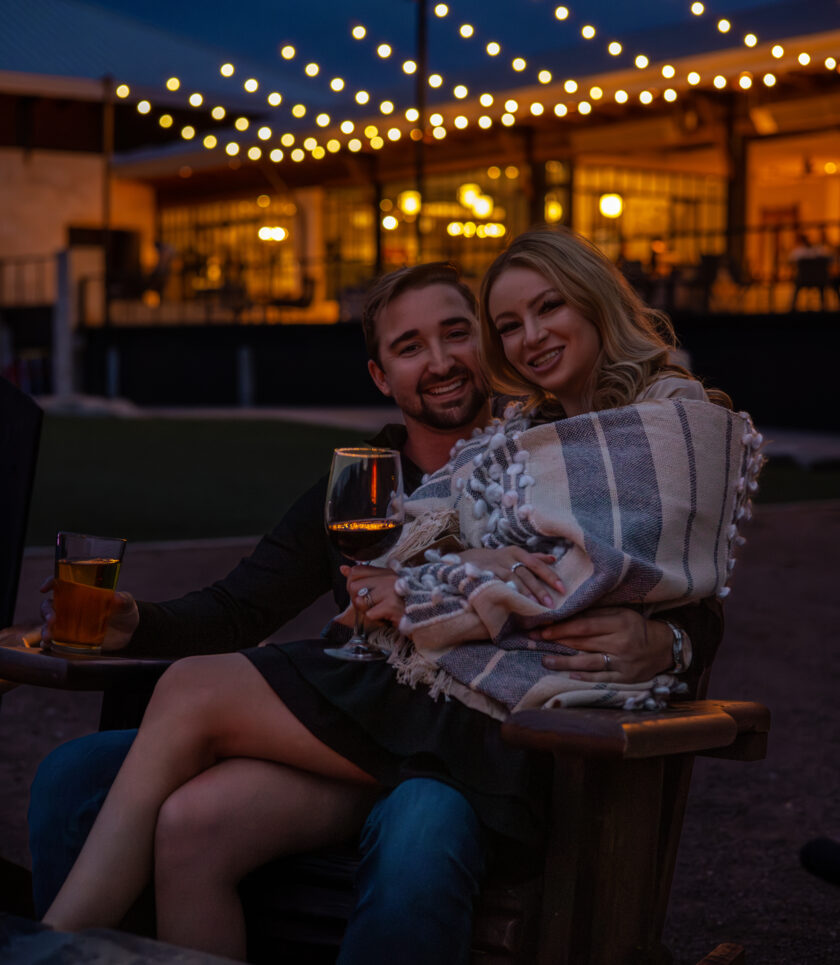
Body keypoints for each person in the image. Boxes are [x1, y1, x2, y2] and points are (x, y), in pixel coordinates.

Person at [36, 249, 726, 961]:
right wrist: (137, 621)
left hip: (471, 730)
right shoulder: (360, 485)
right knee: (124, 792)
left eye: (458, 333)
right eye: (409, 347)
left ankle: (55, 945)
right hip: (364, 714)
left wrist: (673, 641)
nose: (442, 360)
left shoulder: (543, 447)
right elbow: (240, 605)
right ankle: (73, 940)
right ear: (381, 375)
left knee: (407, 812)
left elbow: (662, 576)